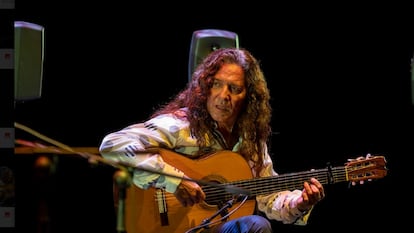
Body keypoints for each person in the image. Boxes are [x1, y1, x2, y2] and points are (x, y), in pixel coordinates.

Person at [99, 47, 325, 233]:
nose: (223, 96)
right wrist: (175, 181)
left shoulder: (250, 141)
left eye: (234, 88)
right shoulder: (181, 125)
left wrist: (300, 203)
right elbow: (113, 145)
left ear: (249, 98)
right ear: (205, 87)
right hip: (171, 227)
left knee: (256, 225)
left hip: (217, 228)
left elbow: (269, 197)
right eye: (216, 84)